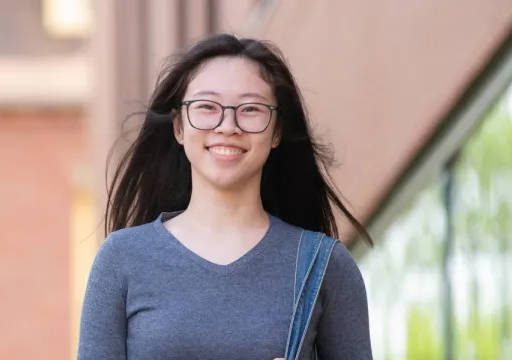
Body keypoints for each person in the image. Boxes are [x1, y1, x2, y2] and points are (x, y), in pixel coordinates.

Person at [77, 33, 374, 360]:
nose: (227, 125)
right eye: (206, 106)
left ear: (276, 131)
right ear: (178, 127)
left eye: (250, 109)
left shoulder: (324, 265)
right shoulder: (121, 259)